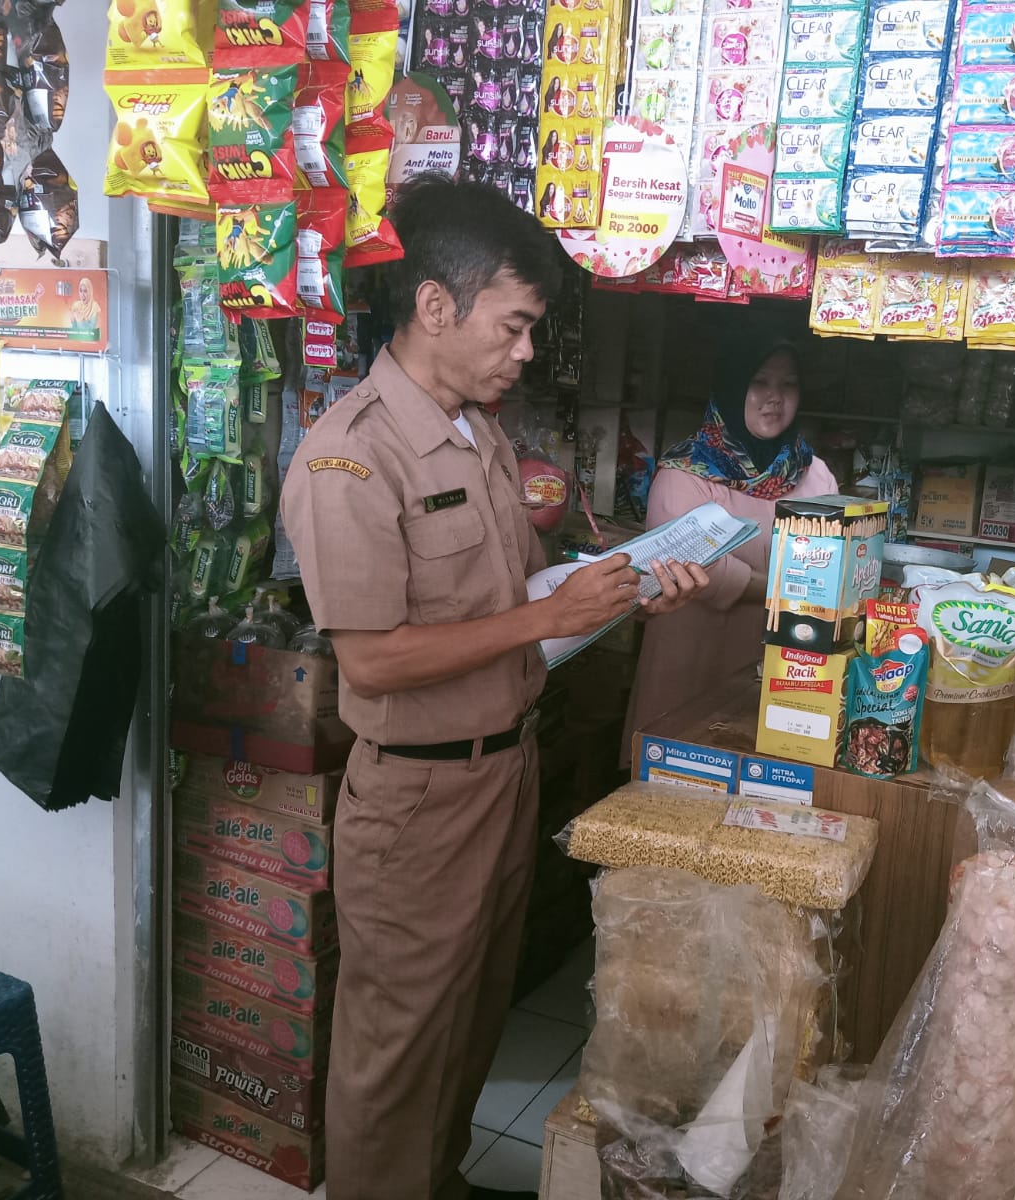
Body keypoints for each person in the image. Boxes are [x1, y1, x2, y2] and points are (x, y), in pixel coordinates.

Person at [280, 175, 709, 1200]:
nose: (524, 352)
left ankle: (437, 1181)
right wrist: (543, 619)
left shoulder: (475, 434)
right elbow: (375, 657)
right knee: (396, 1044)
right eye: (514, 327)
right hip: (415, 798)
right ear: (438, 307)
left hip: (500, 771)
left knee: (471, 1014)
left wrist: (616, 596)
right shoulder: (349, 458)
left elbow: (503, 603)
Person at [621, 329, 838, 762]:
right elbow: (706, 576)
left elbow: (833, 567)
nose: (774, 398)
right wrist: (790, 588)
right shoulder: (683, 473)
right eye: (759, 381)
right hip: (689, 670)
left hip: (779, 678)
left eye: (788, 384)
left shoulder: (815, 475)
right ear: (732, 384)